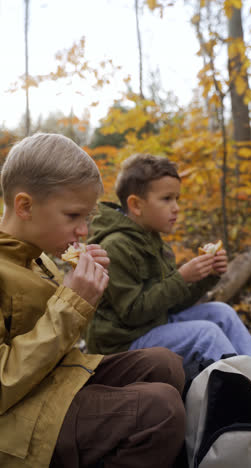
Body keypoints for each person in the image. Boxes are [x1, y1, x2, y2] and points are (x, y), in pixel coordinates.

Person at [0, 134, 186, 468]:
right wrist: (72, 302)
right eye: (73, 216)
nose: (84, 231)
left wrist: (88, 294)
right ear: (25, 206)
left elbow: (59, 339)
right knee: (161, 409)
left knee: (164, 362)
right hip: (15, 422)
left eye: (87, 217)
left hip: (50, 384)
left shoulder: (39, 261)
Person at [86, 153, 251, 367]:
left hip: (153, 325)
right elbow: (133, 313)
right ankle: (241, 390)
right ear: (136, 205)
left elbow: (171, 304)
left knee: (222, 313)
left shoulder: (153, 239)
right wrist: (182, 277)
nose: (176, 207)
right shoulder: (115, 246)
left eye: (177, 199)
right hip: (122, 345)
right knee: (205, 334)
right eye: (167, 198)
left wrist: (206, 276)